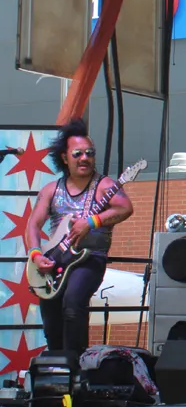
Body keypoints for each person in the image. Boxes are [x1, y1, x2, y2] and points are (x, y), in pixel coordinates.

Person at [25, 118, 134, 356]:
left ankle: (76, 363)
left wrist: (92, 221)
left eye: (89, 153)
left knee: (73, 304)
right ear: (65, 158)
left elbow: (125, 208)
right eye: (78, 154)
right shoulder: (51, 190)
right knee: (51, 314)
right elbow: (33, 224)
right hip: (57, 261)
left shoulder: (104, 185)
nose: (84, 158)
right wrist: (36, 255)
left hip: (90, 258)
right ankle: (57, 363)